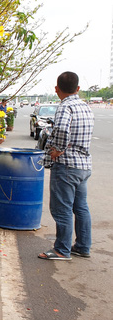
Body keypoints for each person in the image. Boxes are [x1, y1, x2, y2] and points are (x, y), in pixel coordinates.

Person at [38, 71, 94, 261]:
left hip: (67, 165)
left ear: (56, 89)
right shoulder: (86, 107)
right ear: (78, 89)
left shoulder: (65, 107)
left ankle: (62, 249)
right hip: (83, 165)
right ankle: (83, 246)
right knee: (81, 207)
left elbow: (61, 129)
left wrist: (58, 150)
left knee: (62, 208)